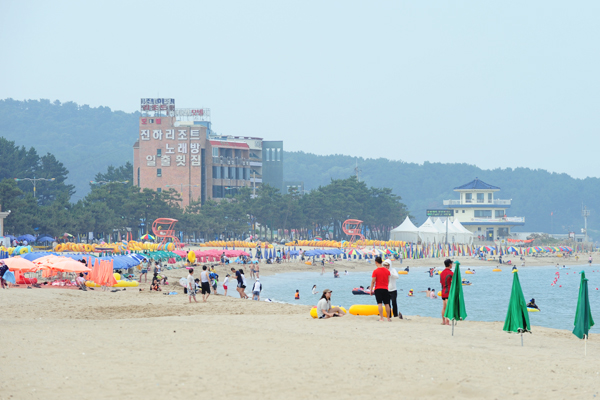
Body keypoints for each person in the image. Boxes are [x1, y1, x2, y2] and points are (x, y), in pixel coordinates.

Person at [370, 256, 391, 322]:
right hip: (385, 288)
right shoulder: (387, 271)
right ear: (381, 262)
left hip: (378, 289)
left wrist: (371, 290)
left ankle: (381, 318)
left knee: (380, 304)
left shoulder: (375, 271)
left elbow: (373, 281)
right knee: (387, 304)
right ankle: (388, 318)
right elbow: (388, 280)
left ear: (376, 262)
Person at [440, 259, 454, 326]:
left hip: (443, 291)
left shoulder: (441, 273)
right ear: (450, 264)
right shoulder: (451, 273)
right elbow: (453, 283)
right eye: (451, 264)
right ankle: (447, 322)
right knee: (448, 307)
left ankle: (443, 321)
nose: (452, 265)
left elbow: (441, 283)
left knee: (444, 307)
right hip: (448, 292)